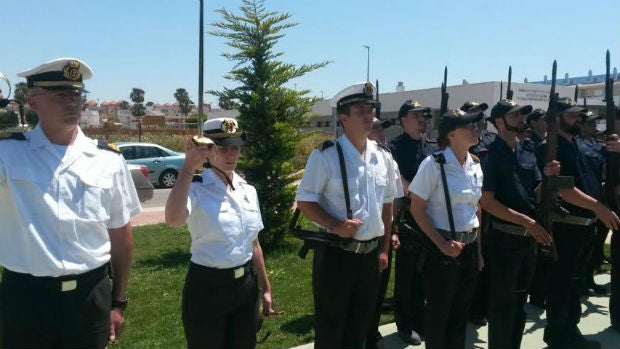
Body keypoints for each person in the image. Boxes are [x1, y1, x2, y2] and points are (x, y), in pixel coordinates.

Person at [0, 58, 140, 348]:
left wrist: (118, 301)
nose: (72, 102)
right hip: (26, 298)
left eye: (77, 94)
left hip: (90, 298)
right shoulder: (8, 154)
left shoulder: (108, 160)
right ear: (33, 101)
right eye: (60, 95)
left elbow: (121, 233)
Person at [295, 82, 395, 348]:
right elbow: (305, 201)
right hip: (336, 254)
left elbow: (387, 205)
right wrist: (335, 224)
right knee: (331, 328)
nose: (368, 116)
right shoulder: (326, 156)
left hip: (370, 256)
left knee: (359, 327)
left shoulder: (383, 157)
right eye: (360, 110)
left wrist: (384, 249)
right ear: (343, 118)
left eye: (370, 110)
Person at [165, 117, 276, 349]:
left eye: (235, 148)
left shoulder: (248, 190)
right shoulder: (194, 186)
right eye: (223, 148)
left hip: (245, 286)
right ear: (207, 150)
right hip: (207, 288)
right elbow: (173, 219)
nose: (231, 155)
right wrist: (187, 168)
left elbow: (253, 243)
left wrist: (265, 288)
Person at [536, 97, 620, 349]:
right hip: (565, 225)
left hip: (584, 226)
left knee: (574, 283)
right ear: (557, 117)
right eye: (572, 115)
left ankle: (567, 332)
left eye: (579, 115)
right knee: (562, 284)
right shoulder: (550, 148)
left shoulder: (580, 145)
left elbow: (601, 172)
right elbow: (563, 189)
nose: (579, 119)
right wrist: (597, 206)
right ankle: (561, 335)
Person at [480, 100, 558, 349]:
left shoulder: (527, 151)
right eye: (515, 115)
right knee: (502, 305)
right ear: (500, 122)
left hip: (528, 239)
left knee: (519, 302)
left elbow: (535, 192)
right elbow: (488, 202)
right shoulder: (490, 155)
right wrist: (526, 221)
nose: (521, 119)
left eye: (522, 115)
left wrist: (549, 179)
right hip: (504, 239)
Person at [409, 108, 484, 349]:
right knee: (439, 315)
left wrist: (479, 251)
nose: (476, 129)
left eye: (476, 125)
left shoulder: (475, 164)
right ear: (451, 135)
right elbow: (416, 209)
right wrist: (441, 244)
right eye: (469, 126)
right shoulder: (433, 165)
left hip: (469, 248)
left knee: (461, 313)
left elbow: (476, 210)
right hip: (442, 249)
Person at [388, 99, 435, 345]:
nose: (422, 120)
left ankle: (421, 319)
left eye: (424, 116)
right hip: (408, 216)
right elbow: (400, 183)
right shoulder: (394, 148)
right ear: (403, 119)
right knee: (407, 274)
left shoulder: (431, 148)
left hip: (429, 215)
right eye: (417, 115)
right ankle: (405, 324)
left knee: (426, 272)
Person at [366, 116, 404, 349]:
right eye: (377, 129)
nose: (382, 133)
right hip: (360, 235)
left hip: (384, 232)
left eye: (383, 129)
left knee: (379, 287)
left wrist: (393, 231)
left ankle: (372, 330)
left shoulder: (387, 158)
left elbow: (394, 199)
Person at [460, 100, 492, 327]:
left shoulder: (489, 141)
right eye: (472, 115)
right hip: (463, 213)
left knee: (481, 263)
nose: (478, 120)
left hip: (484, 210)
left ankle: (479, 306)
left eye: (480, 115)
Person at [577, 110, 609, 296]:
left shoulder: (597, 145)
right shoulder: (578, 145)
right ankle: (581, 281)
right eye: (590, 123)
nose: (594, 126)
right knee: (581, 248)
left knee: (595, 245)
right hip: (587, 202)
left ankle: (589, 278)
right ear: (580, 125)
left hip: (600, 200)